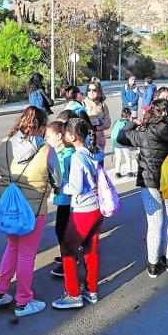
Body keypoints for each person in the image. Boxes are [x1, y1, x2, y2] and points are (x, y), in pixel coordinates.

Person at [0, 106, 61, 317]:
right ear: (40, 127)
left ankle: (0, 292)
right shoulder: (46, 150)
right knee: (27, 254)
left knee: (12, 246)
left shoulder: (4, 145)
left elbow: (1, 171)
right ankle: (23, 301)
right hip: (33, 209)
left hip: (8, 205)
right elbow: (58, 179)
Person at [117, 99, 168, 278]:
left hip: (151, 183)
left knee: (154, 224)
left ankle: (152, 265)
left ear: (153, 113)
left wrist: (132, 123)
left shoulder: (145, 132)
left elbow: (121, 137)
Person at [52, 118, 105, 309]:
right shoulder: (96, 151)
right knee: (91, 250)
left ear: (73, 136)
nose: (64, 135)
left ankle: (73, 294)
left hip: (83, 209)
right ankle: (91, 290)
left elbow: (74, 187)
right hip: (97, 207)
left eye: (66, 133)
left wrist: (58, 186)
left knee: (67, 249)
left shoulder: (77, 157)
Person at [44, 121, 75, 278]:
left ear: (58, 136)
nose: (46, 139)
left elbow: (69, 179)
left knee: (63, 230)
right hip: (62, 198)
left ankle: (68, 261)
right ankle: (68, 255)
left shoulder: (68, 155)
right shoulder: (56, 152)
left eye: (48, 137)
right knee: (61, 229)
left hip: (68, 200)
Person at [83, 82, 112, 152]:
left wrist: (97, 127)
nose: (91, 92)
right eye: (89, 90)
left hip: (100, 141)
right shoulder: (82, 103)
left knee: (99, 162)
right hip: (86, 141)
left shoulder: (103, 105)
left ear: (99, 91)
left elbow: (108, 123)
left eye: (94, 90)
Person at [111, 108, 136, 178]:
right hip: (124, 144)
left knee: (118, 158)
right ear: (129, 116)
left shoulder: (116, 122)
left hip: (116, 143)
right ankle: (129, 172)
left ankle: (117, 172)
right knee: (128, 157)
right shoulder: (128, 123)